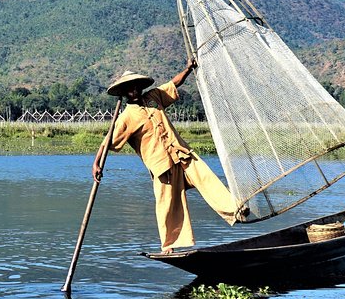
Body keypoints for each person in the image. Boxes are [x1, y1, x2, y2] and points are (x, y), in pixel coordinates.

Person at [93, 58, 244, 252]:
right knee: (167, 204)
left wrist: (188, 69)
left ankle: (235, 210)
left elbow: (174, 83)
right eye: (130, 89)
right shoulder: (126, 118)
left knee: (207, 178)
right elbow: (107, 143)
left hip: (181, 153)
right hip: (161, 164)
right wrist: (96, 163)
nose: (135, 91)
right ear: (124, 93)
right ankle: (169, 245)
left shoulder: (154, 97)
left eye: (136, 87)